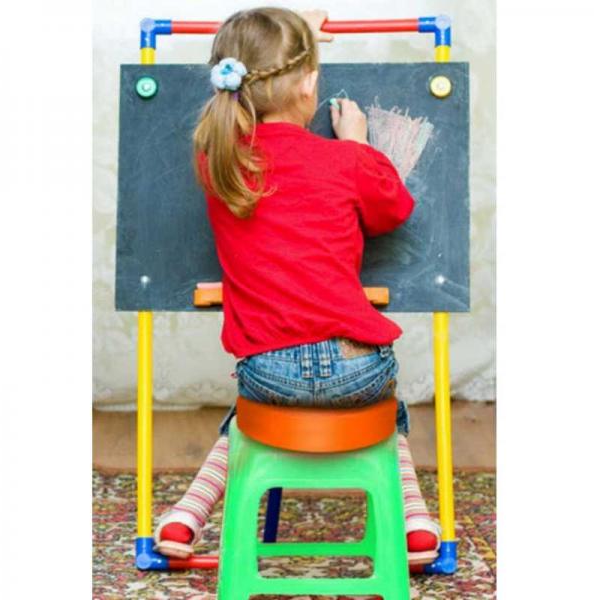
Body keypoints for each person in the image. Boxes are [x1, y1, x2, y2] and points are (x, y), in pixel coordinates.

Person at [154, 7, 440, 567]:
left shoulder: (218, 161)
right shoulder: (344, 160)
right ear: (309, 84)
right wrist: (358, 144)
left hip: (269, 372)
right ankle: (415, 524)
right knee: (390, 411)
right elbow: (394, 209)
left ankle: (188, 514)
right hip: (359, 369)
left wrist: (293, 32)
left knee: (245, 416)